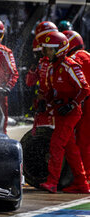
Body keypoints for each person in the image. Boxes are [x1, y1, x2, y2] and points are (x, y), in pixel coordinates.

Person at [39, 31, 90, 193]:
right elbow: (52, 91)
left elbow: (85, 88)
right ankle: (82, 184)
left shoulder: (70, 65)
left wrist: (72, 104)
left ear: (60, 49)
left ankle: (52, 182)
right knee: (71, 149)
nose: (46, 52)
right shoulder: (53, 67)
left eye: (50, 49)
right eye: (45, 49)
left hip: (71, 112)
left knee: (56, 144)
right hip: (60, 111)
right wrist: (44, 102)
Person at [63, 30, 90, 184]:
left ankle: (84, 179)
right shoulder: (85, 54)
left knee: (83, 141)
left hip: (87, 102)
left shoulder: (75, 59)